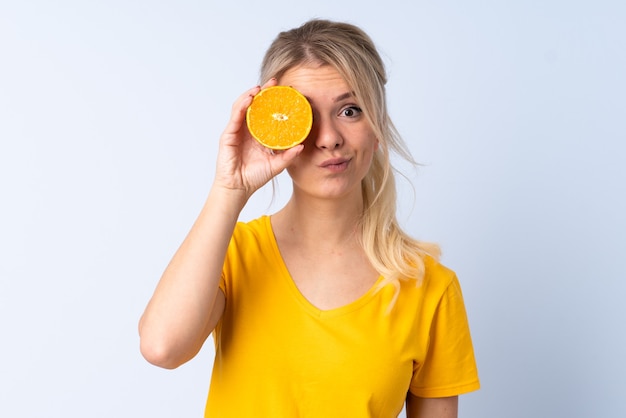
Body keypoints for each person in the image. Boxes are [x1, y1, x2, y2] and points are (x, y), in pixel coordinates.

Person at [139, 19, 480, 418]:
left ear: (377, 126)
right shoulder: (233, 253)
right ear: (273, 128)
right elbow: (162, 348)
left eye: (350, 110)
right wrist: (229, 189)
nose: (329, 137)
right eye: (305, 115)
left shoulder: (429, 287)